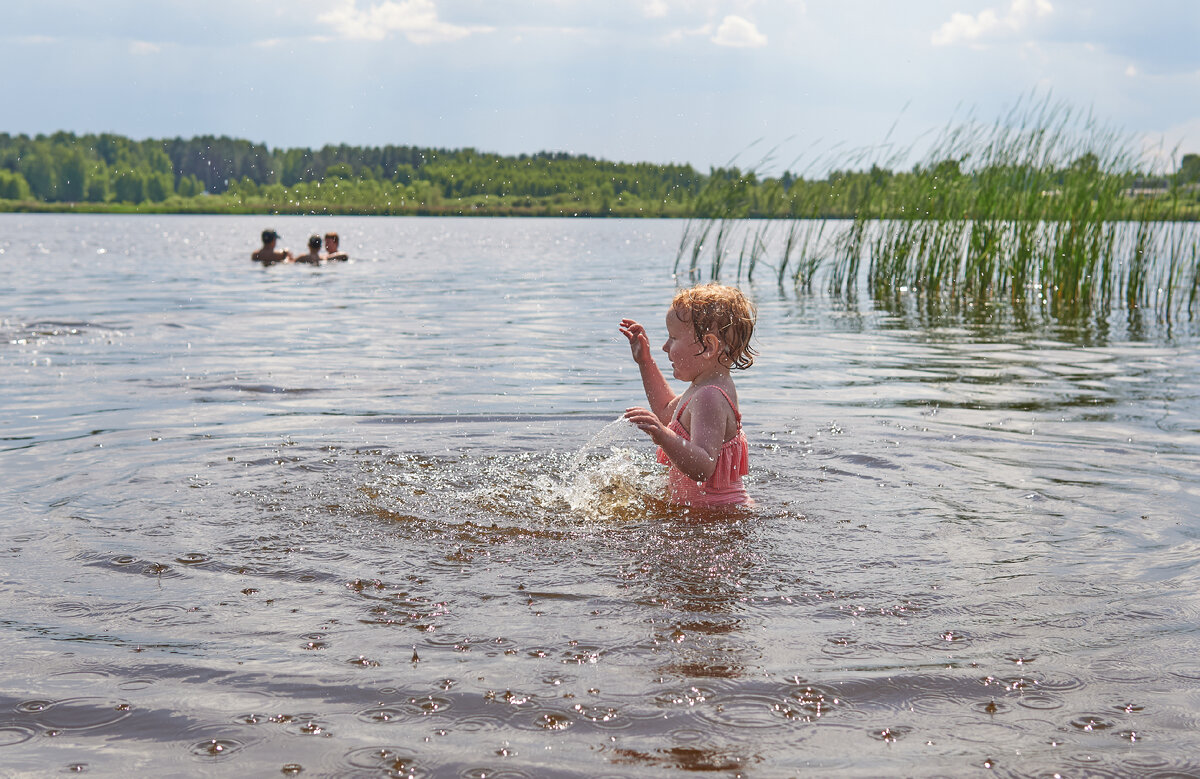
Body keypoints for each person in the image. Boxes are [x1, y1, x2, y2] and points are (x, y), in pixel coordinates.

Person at [620, 283, 756, 508]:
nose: (665, 347)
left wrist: (663, 436)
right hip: (710, 514)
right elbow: (665, 412)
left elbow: (704, 466)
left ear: (708, 346)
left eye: (673, 338)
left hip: (719, 516)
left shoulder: (710, 396)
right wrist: (645, 361)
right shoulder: (703, 387)